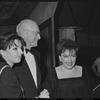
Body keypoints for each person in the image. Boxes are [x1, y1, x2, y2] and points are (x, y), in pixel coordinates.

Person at [13, 19, 49, 98]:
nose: (39, 37)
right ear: (24, 33)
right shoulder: (12, 57)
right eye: (36, 33)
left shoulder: (36, 55)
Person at [0, 32, 25, 98]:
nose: (21, 52)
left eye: (21, 48)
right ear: (3, 52)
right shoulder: (6, 71)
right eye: (15, 48)